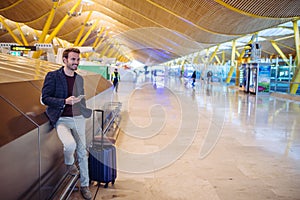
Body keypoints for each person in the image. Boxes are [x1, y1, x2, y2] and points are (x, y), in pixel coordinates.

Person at [41, 48, 92, 200]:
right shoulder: (53, 76)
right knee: (70, 145)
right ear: (64, 60)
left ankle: (85, 185)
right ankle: (70, 164)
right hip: (61, 119)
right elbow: (45, 98)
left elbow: (80, 96)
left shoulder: (80, 79)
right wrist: (64, 101)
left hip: (78, 118)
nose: (76, 62)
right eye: (73, 59)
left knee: (83, 153)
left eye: (77, 59)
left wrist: (81, 103)